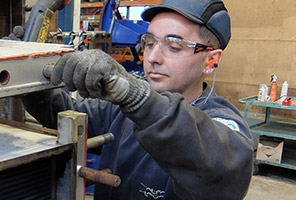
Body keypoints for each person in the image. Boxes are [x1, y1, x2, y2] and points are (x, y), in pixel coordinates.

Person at [22, 0, 254, 199]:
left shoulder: (222, 121)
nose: (152, 57)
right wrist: (25, 73)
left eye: (174, 46)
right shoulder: (122, 111)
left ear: (211, 61)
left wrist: (136, 97)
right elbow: (62, 111)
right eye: (150, 43)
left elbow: (224, 171)